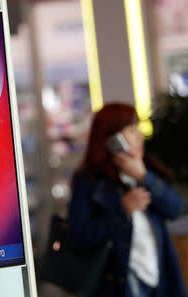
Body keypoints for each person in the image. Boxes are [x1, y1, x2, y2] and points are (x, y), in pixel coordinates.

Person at [69, 102, 186, 297]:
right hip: (119, 285)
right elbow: (79, 237)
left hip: (159, 281)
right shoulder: (89, 181)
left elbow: (175, 208)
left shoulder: (148, 169)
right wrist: (122, 211)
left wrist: (143, 177)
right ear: (111, 139)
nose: (139, 135)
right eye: (131, 130)